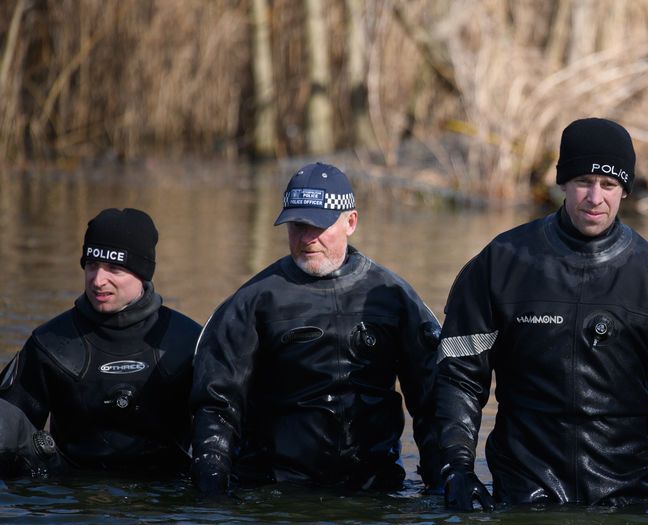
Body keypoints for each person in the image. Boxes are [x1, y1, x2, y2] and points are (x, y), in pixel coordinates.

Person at [435, 118, 648, 513]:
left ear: (625, 191)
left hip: (625, 497)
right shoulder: (502, 262)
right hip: (522, 494)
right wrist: (458, 470)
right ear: (562, 183)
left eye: (609, 185)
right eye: (584, 181)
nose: (595, 197)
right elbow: (460, 380)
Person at [190, 162, 441, 495]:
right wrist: (211, 486)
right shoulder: (252, 301)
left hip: (375, 490)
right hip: (275, 491)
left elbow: (434, 399)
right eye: (297, 225)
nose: (307, 238)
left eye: (318, 226)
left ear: (351, 222)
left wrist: (446, 476)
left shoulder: (394, 297)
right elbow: (216, 404)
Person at [0, 208, 201, 477]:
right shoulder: (50, 344)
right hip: (71, 490)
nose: (97, 280)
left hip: (166, 489)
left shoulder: (188, 342)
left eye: (114, 268)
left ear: (142, 273)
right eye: (92, 265)